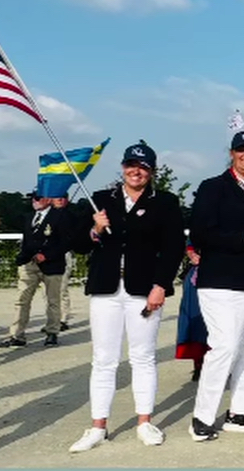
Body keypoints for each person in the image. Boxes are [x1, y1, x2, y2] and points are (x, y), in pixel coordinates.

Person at [67, 143, 186, 452]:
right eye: (131, 164)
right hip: (106, 289)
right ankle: (98, 427)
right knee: (104, 360)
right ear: (122, 167)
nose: (136, 171)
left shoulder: (166, 203)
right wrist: (94, 229)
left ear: (152, 171)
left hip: (144, 291)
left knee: (143, 357)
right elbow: (78, 243)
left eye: (143, 166)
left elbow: (173, 248)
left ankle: (144, 421)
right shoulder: (100, 200)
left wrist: (161, 285)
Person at [188, 130, 244, 442]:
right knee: (224, 346)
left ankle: (239, 411)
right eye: (241, 150)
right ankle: (202, 415)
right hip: (223, 281)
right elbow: (200, 233)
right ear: (231, 153)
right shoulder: (214, 188)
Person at [0, 192, 71, 348]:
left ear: (48, 199)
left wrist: (47, 255)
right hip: (29, 263)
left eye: (38, 198)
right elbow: (27, 239)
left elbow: (66, 242)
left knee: (52, 300)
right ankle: (17, 334)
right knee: (22, 299)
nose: (35, 201)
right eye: (33, 198)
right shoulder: (30, 217)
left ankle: (52, 332)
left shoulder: (60, 216)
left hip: (52, 264)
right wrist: (21, 258)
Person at [175, 242, 208, 382]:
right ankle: (199, 364)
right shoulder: (197, 220)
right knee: (196, 320)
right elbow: (190, 243)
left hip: (226, 271)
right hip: (198, 275)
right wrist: (192, 254)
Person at [51, 193, 73, 332]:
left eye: (63, 197)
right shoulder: (47, 215)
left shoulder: (71, 216)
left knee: (62, 288)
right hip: (48, 255)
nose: (60, 199)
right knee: (49, 291)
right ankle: (52, 319)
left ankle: (63, 319)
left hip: (64, 254)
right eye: (57, 197)